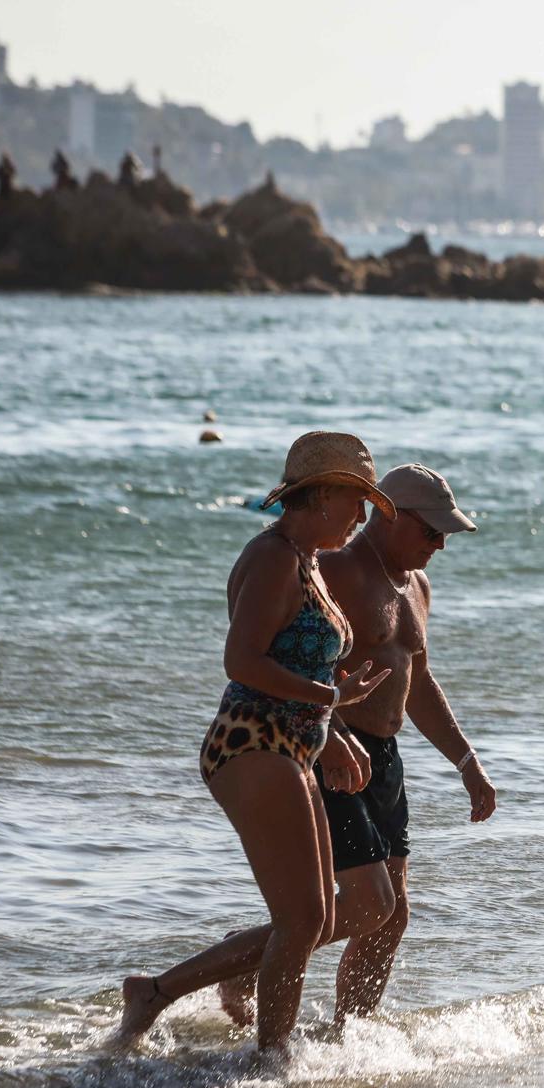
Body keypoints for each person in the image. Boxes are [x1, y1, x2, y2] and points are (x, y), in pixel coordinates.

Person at [115, 432, 397, 1054]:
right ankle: (271, 1061)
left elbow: (302, 668)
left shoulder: (307, 560)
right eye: (357, 502)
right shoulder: (272, 557)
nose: (363, 517)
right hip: (252, 743)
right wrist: (331, 704)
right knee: (302, 920)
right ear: (321, 496)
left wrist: (334, 734)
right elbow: (240, 661)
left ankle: (163, 998)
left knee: (317, 916)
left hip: (291, 745)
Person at [214, 464, 496, 1028]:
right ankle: (240, 962)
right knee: (363, 904)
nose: (440, 545)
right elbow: (280, 659)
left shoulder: (416, 586)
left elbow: (417, 684)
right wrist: (333, 734)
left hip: (385, 758)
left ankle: (348, 1036)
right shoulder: (334, 569)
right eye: (432, 532)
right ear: (394, 516)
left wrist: (466, 762)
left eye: (446, 535)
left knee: (391, 916)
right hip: (332, 748)